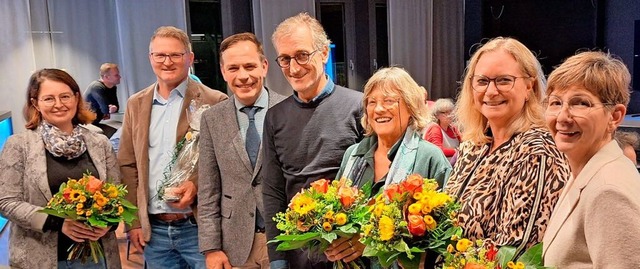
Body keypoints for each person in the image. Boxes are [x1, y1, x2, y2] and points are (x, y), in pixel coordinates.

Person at [444, 37, 570, 256]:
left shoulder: (539, 152)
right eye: (482, 81)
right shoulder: (472, 146)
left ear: (529, 86)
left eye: (503, 80)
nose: (491, 91)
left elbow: (517, 252)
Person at [118, 26, 228, 269]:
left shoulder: (215, 101)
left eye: (175, 55)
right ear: (150, 58)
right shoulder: (135, 104)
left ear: (189, 58)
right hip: (154, 234)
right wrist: (133, 222)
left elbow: (227, 163)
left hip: (199, 228)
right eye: (160, 55)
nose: (167, 62)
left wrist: (196, 184)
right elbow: (127, 165)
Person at [263, 12, 364, 269]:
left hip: (351, 251)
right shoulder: (275, 117)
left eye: (302, 55)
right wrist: (277, 257)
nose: (294, 68)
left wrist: (363, 238)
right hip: (298, 255)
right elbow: (273, 190)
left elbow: (377, 180)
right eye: (285, 59)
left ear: (324, 54)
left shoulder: (359, 106)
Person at [325, 67, 452, 267]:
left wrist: (369, 243)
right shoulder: (353, 155)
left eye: (389, 101)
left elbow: (444, 235)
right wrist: (333, 243)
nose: (378, 109)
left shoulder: (429, 157)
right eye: (371, 102)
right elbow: (335, 215)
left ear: (410, 106)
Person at [0, 68, 121, 268]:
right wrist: (57, 222)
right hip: (39, 257)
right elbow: (6, 201)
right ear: (35, 103)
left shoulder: (100, 143)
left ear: (76, 98)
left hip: (97, 258)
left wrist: (109, 223)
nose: (59, 104)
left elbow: (116, 196)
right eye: (48, 98)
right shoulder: (19, 145)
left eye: (65, 96)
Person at [542, 51, 640, 268]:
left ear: (615, 116)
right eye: (556, 103)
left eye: (581, 103)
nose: (562, 117)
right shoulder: (586, 171)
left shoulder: (608, 191)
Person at [197, 32, 286, 269]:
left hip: (284, 240)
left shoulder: (288, 110)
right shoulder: (212, 119)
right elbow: (208, 189)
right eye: (233, 68)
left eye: (249, 66)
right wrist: (211, 248)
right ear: (224, 72)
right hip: (233, 244)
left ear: (264, 66)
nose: (243, 76)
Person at [85, 63, 121, 137]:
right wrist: (109, 109)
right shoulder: (96, 87)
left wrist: (112, 108)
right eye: (116, 75)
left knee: (119, 131)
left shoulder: (113, 87)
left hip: (95, 122)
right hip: (85, 124)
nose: (120, 77)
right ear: (106, 77)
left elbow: (115, 106)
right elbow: (105, 109)